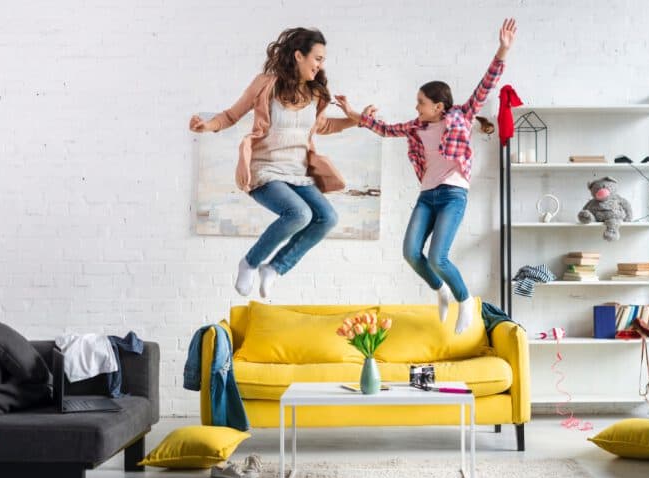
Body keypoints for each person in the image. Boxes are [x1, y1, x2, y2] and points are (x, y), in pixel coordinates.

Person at [335, 19, 517, 333]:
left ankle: (465, 302)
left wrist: (502, 49)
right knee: (410, 252)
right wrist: (353, 113)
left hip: (453, 195)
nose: (416, 106)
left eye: (421, 102)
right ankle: (440, 290)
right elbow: (385, 129)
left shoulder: (461, 115)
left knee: (438, 257)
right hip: (427, 195)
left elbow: (486, 85)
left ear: (438, 106)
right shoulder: (417, 126)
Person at [190, 28, 356, 298]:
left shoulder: (316, 94)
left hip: (298, 173)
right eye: (317, 58)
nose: (320, 65)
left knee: (327, 218)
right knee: (299, 214)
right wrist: (207, 125)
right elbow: (231, 115)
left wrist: (355, 119)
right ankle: (250, 263)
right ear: (299, 56)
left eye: (323, 60)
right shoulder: (265, 84)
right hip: (265, 171)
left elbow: (323, 126)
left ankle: (275, 267)